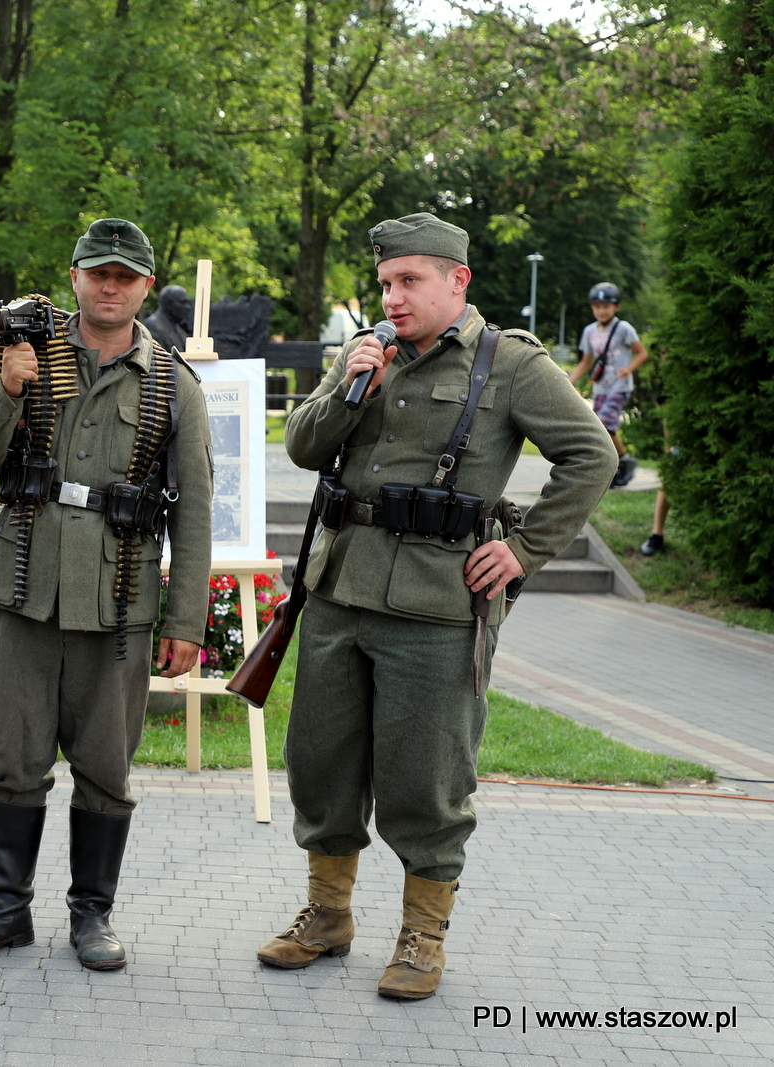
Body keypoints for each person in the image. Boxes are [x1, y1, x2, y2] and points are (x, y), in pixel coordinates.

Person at [260, 213, 616, 999]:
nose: (392, 296)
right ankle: (327, 915)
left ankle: (422, 936)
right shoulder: (365, 356)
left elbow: (593, 454)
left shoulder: (510, 363)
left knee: (428, 779)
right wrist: (353, 388)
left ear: (458, 281)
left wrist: (523, 552)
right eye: (385, 283)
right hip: (337, 592)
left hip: (435, 610)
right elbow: (303, 446)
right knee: (319, 763)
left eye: (408, 281)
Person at [0, 218, 214, 971]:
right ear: (75, 277)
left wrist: (187, 619)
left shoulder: (171, 384)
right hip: (25, 589)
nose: (111, 286)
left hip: (117, 602)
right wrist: (8, 388)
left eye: (126, 275)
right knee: (12, 757)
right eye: (99, 272)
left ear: (146, 286)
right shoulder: (24, 354)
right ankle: (5, 910)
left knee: (105, 766)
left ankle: (92, 916)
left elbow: (194, 509)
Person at [569, 282, 649, 488]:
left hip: (620, 387)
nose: (602, 311)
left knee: (604, 425)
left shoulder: (623, 328)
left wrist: (629, 368)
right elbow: (586, 363)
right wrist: (567, 383)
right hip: (601, 388)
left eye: (606, 306)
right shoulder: (589, 331)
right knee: (601, 429)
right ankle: (618, 464)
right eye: (597, 307)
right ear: (592, 308)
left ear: (616, 307)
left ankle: (622, 462)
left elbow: (642, 353)